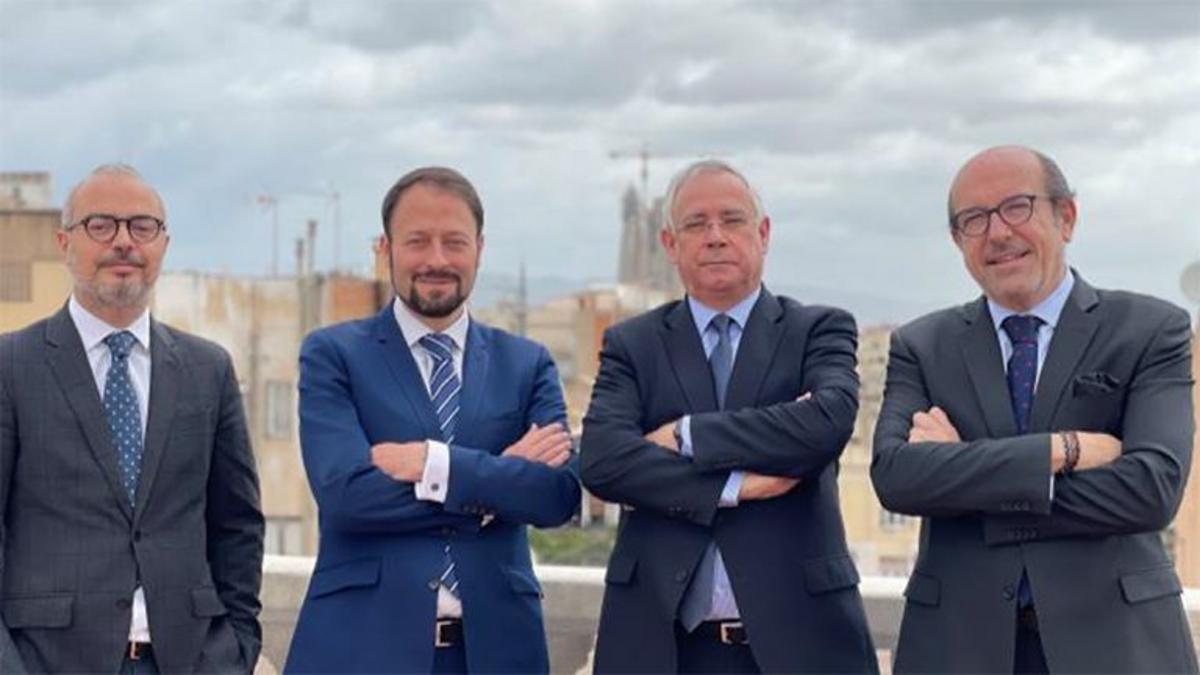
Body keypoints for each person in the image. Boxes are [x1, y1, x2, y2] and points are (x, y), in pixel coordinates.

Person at [872, 145, 1197, 673]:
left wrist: (964, 471)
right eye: (974, 219)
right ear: (957, 241)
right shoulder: (922, 346)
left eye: (1017, 207)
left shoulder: (1148, 330)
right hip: (959, 647)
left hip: (1116, 646)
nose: (998, 232)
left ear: (1066, 217)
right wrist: (1060, 451)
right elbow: (896, 478)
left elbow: (1150, 491)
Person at [580, 160, 878, 673]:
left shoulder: (817, 330)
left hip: (802, 645)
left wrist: (685, 435)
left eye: (732, 220)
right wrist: (734, 485)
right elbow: (604, 461)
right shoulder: (633, 344)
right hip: (662, 646)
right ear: (670, 244)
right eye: (696, 224)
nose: (715, 236)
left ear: (763, 234)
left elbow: (826, 424)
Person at [285, 166, 581, 673]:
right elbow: (346, 497)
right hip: (360, 650)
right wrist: (496, 482)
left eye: (454, 242)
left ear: (479, 249)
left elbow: (556, 496)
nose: (437, 260)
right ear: (385, 249)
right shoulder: (333, 354)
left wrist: (434, 464)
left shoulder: (526, 364)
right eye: (417, 241)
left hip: (498, 654)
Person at [0, 164, 265, 673]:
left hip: (188, 659)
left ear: (163, 243)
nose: (123, 241)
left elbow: (236, 523)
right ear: (64, 242)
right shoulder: (12, 365)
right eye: (101, 225)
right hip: (48, 661)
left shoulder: (207, 369)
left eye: (142, 226)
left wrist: (236, 650)